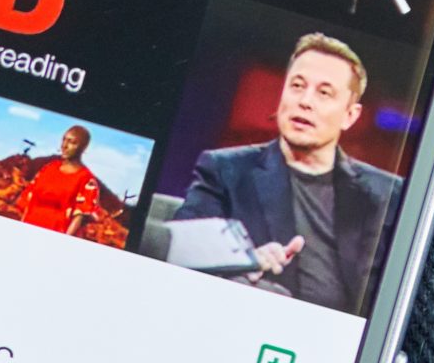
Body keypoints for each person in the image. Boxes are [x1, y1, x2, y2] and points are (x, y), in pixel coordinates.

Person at [169, 32, 404, 315]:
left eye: (324, 93)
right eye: (297, 86)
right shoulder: (225, 170)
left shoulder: (389, 195)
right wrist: (242, 263)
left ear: (350, 115)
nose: (305, 101)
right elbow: (178, 253)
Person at [16, 125, 105, 236]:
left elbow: (79, 217)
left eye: (72, 142)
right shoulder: (49, 168)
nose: (64, 145)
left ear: (83, 147)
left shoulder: (86, 179)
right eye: (64, 140)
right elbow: (28, 201)